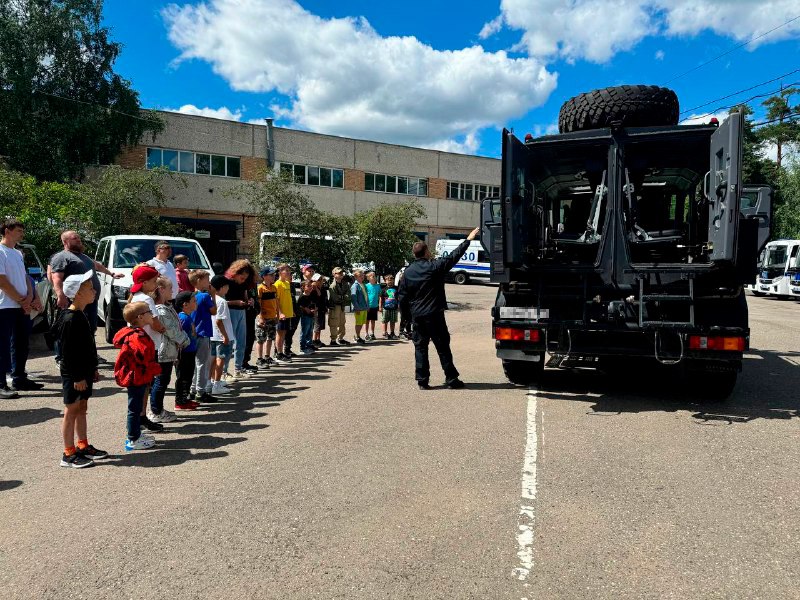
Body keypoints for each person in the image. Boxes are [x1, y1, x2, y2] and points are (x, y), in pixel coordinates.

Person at [397, 227, 480, 390]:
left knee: (420, 348)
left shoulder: (407, 272)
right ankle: (451, 379)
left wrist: (405, 319)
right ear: (426, 252)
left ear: (414, 254)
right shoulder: (434, 267)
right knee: (442, 347)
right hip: (434, 315)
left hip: (418, 317)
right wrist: (468, 240)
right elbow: (453, 257)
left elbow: (402, 298)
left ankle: (422, 380)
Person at [53, 271, 106, 468]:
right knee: (72, 409)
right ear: (76, 293)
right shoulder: (70, 319)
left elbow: (87, 347)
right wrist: (77, 376)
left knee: (82, 408)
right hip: (73, 373)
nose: (94, 291)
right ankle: (68, 453)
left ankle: (82, 445)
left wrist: (92, 369)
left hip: (84, 371)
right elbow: (68, 353)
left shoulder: (81, 314)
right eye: (89, 288)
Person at [50, 230, 123, 332]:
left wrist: (111, 274)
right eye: (75, 238)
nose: (79, 240)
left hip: (90, 300)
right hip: (75, 302)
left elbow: (97, 266)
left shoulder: (84, 256)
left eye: (79, 238)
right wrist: (61, 296)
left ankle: (88, 347)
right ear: (65, 242)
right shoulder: (61, 257)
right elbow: (56, 278)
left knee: (90, 329)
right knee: (74, 331)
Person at [0, 219, 41, 397]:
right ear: (7, 231)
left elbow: (25, 277)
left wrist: (30, 296)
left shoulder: (17, 253)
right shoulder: (0, 252)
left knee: (21, 343)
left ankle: (19, 378)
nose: (22, 234)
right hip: (5, 306)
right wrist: (20, 299)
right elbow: (2, 280)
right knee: (2, 346)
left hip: (21, 306)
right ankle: (1, 384)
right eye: (18, 230)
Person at [113, 302, 161, 452]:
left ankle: (136, 435)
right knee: (134, 408)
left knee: (136, 406)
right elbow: (144, 357)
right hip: (137, 376)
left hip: (137, 375)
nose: (151, 314)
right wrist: (156, 368)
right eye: (148, 312)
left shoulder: (133, 332)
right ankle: (133, 438)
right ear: (140, 317)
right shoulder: (137, 336)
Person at [129, 264, 166, 433]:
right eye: (153, 281)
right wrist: (163, 329)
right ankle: (140, 418)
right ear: (143, 282)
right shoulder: (146, 299)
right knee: (145, 385)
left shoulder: (135, 296)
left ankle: (142, 417)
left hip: (139, 345)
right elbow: (155, 323)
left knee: (145, 384)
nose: (156, 285)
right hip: (147, 346)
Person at [149, 277, 189, 423]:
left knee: (163, 381)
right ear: (161, 289)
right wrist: (185, 340)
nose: (172, 291)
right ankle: (155, 411)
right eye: (170, 288)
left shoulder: (166, 307)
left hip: (168, 351)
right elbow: (171, 331)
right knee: (160, 381)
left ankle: (158, 409)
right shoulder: (161, 310)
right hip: (163, 351)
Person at [188, 270, 217, 403]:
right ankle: (201, 391)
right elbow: (213, 311)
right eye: (206, 279)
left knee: (194, 363)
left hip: (193, 332)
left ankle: (192, 389)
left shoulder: (191, 295)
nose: (209, 282)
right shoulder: (205, 296)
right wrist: (213, 296)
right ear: (199, 281)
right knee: (203, 363)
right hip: (203, 332)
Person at [224, 260, 256, 378]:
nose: (243, 280)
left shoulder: (244, 284)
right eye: (241, 277)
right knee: (229, 343)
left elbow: (245, 296)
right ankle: (224, 371)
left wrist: (249, 301)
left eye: (245, 278)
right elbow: (220, 302)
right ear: (235, 273)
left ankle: (238, 369)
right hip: (230, 312)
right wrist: (235, 302)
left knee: (241, 343)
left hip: (242, 312)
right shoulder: (226, 282)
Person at [174, 291, 199, 410]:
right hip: (184, 353)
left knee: (188, 375)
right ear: (185, 304)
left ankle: (185, 398)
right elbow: (178, 336)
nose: (196, 303)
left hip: (190, 351)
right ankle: (180, 401)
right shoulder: (183, 318)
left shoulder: (188, 316)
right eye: (194, 301)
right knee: (183, 377)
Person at [209, 275, 233, 396]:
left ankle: (213, 381)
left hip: (212, 335)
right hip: (220, 336)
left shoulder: (212, 299)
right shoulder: (222, 301)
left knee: (213, 359)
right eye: (227, 286)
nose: (228, 288)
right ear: (223, 287)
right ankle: (216, 384)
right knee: (221, 359)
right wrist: (225, 336)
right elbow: (219, 320)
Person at [255, 266, 279, 368]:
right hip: (264, 317)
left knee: (270, 337)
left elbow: (276, 302)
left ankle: (267, 357)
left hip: (272, 317)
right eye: (271, 275)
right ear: (264, 276)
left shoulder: (274, 288)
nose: (273, 276)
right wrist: (260, 317)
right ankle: (259, 359)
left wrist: (277, 314)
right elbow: (259, 304)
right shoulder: (260, 288)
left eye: (274, 274)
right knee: (261, 339)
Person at [274, 264, 294, 363]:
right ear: (280, 272)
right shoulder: (277, 284)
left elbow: (288, 299)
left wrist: (291, 311)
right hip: (281, 314)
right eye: (286, 270)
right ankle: (278, 353)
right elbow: (276, 300)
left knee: (284, 333)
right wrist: (280, 312)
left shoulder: (287, 283)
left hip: (288, 313)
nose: (288, 272)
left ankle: (281, 352)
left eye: (289, 270)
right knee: (279, 333)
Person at [327, 267, 350, 346]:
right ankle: (333, 340)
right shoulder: (332, 285)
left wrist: (343, 297)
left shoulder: (345, 284)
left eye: (341, 273)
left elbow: (348, 294)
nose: (340, 275)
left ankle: (341, 338)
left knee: (342, 322)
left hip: (342, 306)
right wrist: (344, 297)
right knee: (334, 323)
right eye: (338, 273)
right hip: (335, 306)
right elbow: (335, 298)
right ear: (334, 274)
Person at [297, 280, 317, 355]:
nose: (310, 287)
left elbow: (314, 304)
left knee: (310, 331)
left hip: (311, 316)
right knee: (304, 332)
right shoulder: (302, 296)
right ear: (303, 287)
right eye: (308, 286)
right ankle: (302, 348)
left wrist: (314, 309)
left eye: (311, 285)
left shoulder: (311, 295)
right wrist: (306, 309)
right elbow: (299, 305)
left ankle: (308, 346)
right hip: (305, 316)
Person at [350, 269, 369, 344]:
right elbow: (353, 298)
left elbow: (366, 296)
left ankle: (358, 336)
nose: (362, 277)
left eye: (363, 275)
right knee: (358, 323)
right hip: (359, 308)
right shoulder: (355, 286)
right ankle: (357, 337)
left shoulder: (363, 284)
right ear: (356, 277)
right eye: (360, 276)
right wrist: (357, 307)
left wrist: (367, 306)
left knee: (361, 323)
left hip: (364, 307)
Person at [380, 273, 399, 339]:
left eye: (391, 280)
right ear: (385, 281)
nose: (389, 281)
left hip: (394, 307)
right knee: (385, 321)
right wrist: (380, 306)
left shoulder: (396, 288)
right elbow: (381, 298)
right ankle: (384, 333)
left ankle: (392, 333)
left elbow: (398, 297)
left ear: (393, 280)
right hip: (385, 308)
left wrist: (398, 305)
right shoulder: (383, 289)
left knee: (393, 321)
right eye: (388, 280)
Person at [396, 266, 412, 340]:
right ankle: (401, 332)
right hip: (402, 301)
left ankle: (408, 331)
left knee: (409, 317)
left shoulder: (409, 280)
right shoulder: (400, 282)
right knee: (403, 317)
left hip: (409, 301)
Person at [312, 274, 328, 348]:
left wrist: (326, 307)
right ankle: (314, 340)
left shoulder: (323, 288)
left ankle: (318, 340)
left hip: (322, 308)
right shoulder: (314, 288)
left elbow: (324, 298)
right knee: (317, 326)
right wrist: (316, 287)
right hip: (317, 309)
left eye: (321, 279)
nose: (321, 281)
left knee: (320, 326)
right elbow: (317, 296)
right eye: (319, 280)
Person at [365, 271, 382, 341]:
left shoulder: (378, 286)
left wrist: (380, 305)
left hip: (375, 306)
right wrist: (366, 305)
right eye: (372, 276)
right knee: (367, 321)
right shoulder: (366, 286)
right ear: (368, 278)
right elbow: (365, 296)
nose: (374, 277)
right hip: (367, 306)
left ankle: (372, 333)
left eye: (375, 276)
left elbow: (380, 296)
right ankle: (366, 333)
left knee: (373, 321)